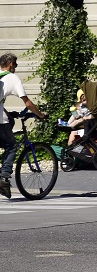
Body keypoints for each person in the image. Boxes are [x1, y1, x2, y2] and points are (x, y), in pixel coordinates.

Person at [0, 52, 47, 199]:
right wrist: (40, 114)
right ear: (11, 64)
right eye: (16, 64)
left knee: (10, 122)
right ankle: (4, 178)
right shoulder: (12, 78)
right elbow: (27, 102)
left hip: (3, 115)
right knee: (12, 145)